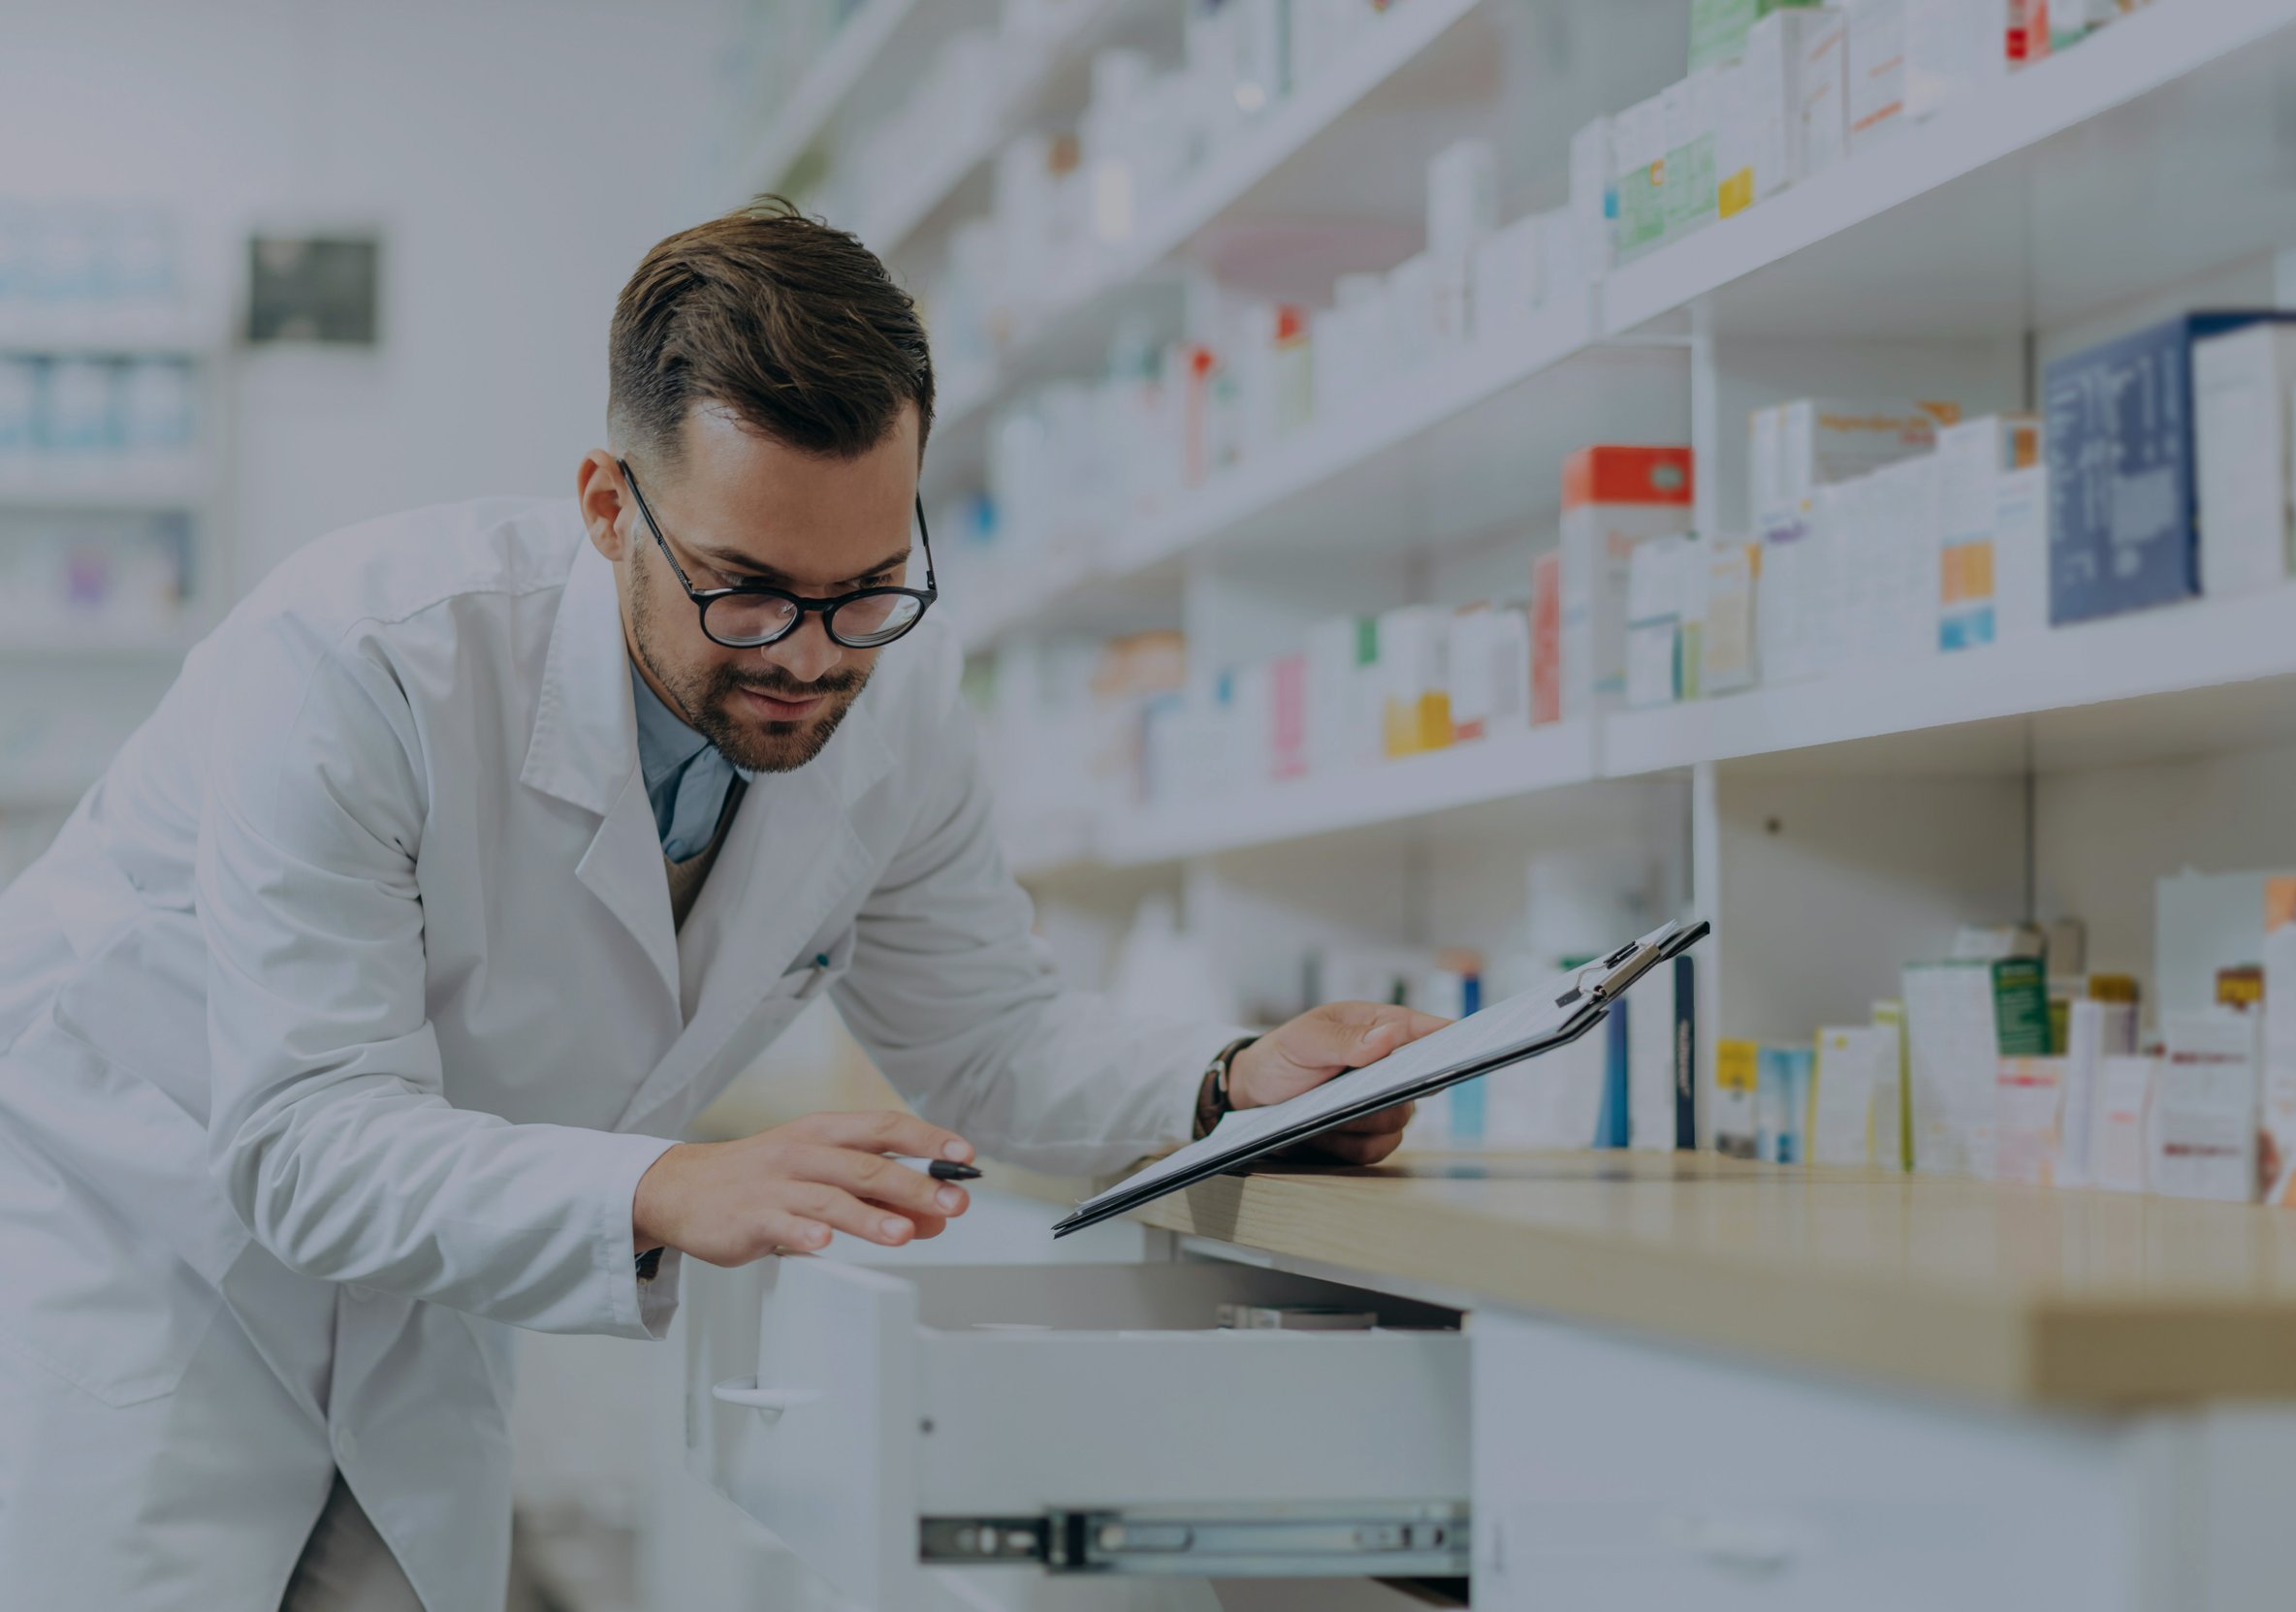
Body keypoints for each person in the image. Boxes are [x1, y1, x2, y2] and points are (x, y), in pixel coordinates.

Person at [0, 200, 1445, 1612]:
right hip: (137, 1254)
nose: (810, 658)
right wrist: (665, 1181)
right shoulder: (358, 661)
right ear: (605, 507)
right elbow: (306, 1139)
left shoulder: (898, 707)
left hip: (416, 1292)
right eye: (746, 591)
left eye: (868, 587)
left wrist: (1232, 1082)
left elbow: (992, 1038)